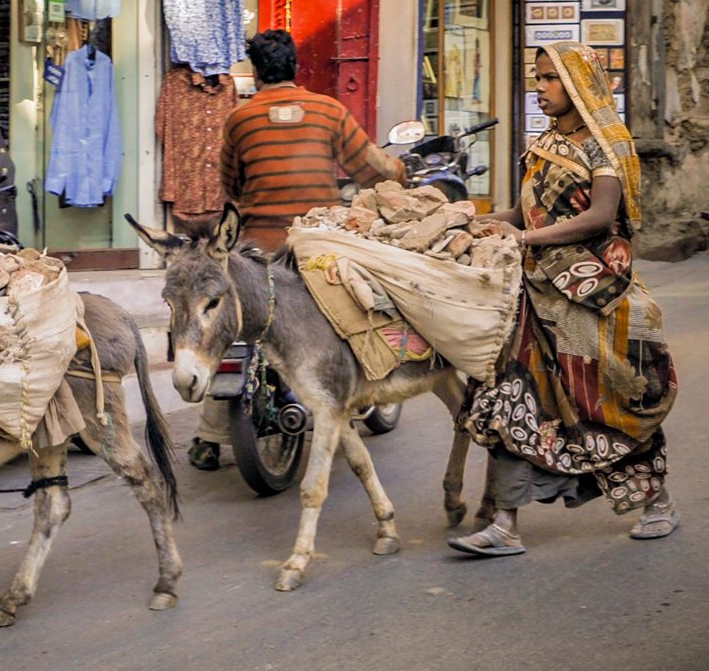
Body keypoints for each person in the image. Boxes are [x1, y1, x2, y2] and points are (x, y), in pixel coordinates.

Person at [449, 42, 679, 556]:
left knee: (603, 404)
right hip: (533, 296)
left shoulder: (606, 143)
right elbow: (524, 212)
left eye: (550, 78)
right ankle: (505, 524)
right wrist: (483, 222)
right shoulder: (545, 141)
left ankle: (656, 501)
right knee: (512, 394)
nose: (540, 87)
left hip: (593, 295)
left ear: (578, 84)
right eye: (538, 77)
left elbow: (600, 216)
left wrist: (524, 240)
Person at [186, 28, 406, 471]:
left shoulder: (240, 119)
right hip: (313, 248)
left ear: (255, 72)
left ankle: (209, 436)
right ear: (296, 67)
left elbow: (232, 186)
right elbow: (372, 168)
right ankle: (361, 385)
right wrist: (399, 171)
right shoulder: (328, 110)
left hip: (255, 249)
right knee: (358, 309)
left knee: (235, 331)